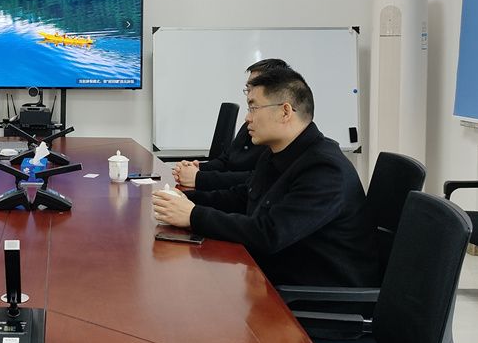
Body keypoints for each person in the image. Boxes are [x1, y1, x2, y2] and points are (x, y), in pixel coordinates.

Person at [153, 68, 376, 288]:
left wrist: (193, 215)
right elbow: (243, 197)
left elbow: (270, 234)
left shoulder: (325, 169)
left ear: (285, 112)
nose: (247, 118)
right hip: (273, 276)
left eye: (253, 108)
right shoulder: (276, 153)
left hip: (316, 296)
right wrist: (182, 199)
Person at [173, 58, 289, 191]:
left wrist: (199, 178)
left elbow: (256, 179)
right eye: (248, 88)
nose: (249, 94)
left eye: (254, 87)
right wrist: (198, 168)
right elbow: (226, 160)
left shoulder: (277, 133)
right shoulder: (251, 122)